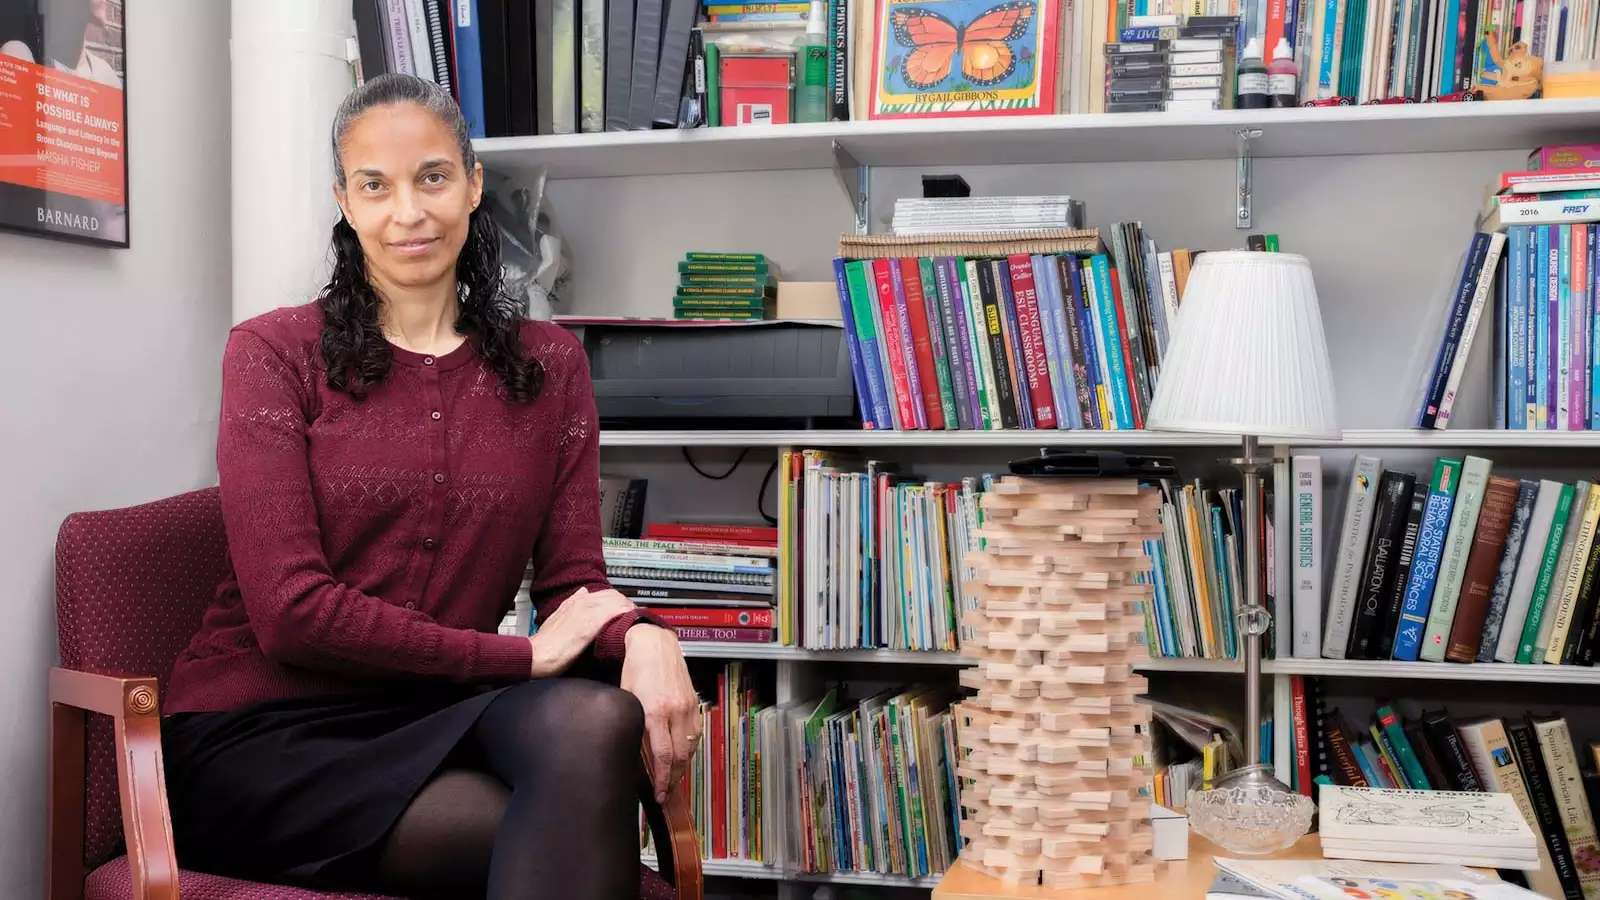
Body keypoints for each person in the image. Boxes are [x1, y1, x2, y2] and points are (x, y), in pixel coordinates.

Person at [158, 73, 699, 900]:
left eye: (433, 177)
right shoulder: (272, 354)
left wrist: (648, 636)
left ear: (475, 184)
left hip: (441, 710)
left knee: (596, 719)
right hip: (263, 737)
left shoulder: (548, 366)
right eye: (375, 185)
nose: (407, 212)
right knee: (569, 828)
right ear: (344, 200)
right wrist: (514, 659)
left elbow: (573, 586)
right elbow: (292, 614)